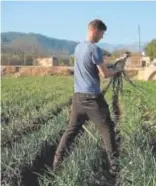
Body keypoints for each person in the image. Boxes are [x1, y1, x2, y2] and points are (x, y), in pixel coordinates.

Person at [53, 19, 122, 176]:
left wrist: (109, 66)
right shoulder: (95, 49)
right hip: (93, 99)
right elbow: (104, 74)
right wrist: (116, 71)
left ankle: (57, 162)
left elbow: (92, 68)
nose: (102, 37)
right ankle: (114, 166)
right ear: (95, 31)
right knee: (108, 130)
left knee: (71, 131)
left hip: (77, 98)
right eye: (102, 34)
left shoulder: (78, 48)